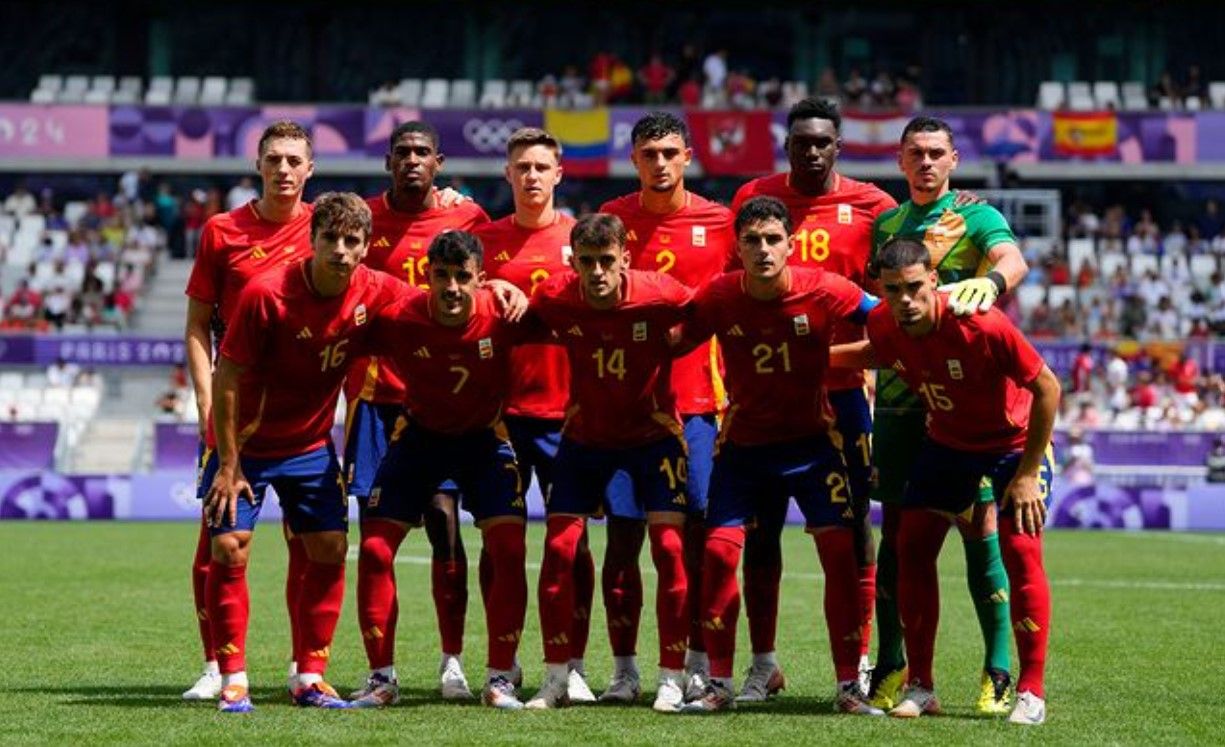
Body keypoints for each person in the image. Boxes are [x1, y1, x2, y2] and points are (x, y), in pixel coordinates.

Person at [836, 236, 1057, 726]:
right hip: (949, 445)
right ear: (883, 289)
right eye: (894, 290)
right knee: (911, 546)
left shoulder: (981, 323)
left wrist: (1026, 474)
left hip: (1012, 446)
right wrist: (817, 361)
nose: (906, 300)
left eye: (915, 287)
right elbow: (878, 352)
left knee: (1020, 551)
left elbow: (1047, 387)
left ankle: (1031, 690)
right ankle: (922, 685)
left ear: (934, 281)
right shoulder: (884, 323)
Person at [200, 192, 406, 712]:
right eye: (330, 238)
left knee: (330, 550)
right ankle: (233, 678)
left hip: (311, 447)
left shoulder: (375, 291)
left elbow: (431, 304)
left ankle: (309, 676)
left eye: (351, 241)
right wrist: (227, 462)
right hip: (245, 446)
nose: (340, 249)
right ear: (311, 241)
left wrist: (493, 288)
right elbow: (227, 377)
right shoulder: (266, 294)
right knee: (229, 549)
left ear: (364, 249)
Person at [679, 196, 882, 715]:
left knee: (840, 555)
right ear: (737, 248)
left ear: (790, 245)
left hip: (813, 448)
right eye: (752, 240)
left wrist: (875, 360)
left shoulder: (826, 288)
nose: (764, 249)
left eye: (773, 239)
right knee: (722, 555)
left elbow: (886, 319)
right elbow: (672, 340)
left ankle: (847, 688)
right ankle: (720, 686)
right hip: (743, 450)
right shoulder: (721, 296)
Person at [729, 97, 896, 700]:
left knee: (854, 530)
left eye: (823, 142)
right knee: (760, 530)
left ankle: (860, 662)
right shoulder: (756, 199)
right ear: (788, 146)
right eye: (801, 142)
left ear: (838, 146)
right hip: (767, 402)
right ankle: (763, 663)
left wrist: (862, 361)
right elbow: (737, 294)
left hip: (843, 397)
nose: (812, 151)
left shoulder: (874, 206)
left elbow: (889, 307)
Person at [866, 116, 1029, 714]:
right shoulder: (886, 224)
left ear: (954, 159)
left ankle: (999, 670)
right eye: (917, 153)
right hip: (900, 404)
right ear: (901, 159)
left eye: (937, 153)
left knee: (979, 529)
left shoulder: (976, 215)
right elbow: (876, 307)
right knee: (901, 539)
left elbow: (1013, 260)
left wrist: (991, 283)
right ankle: (895, 666)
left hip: (968, 406)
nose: (927, 163)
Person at [344, 120, 491, 704]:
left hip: (444, 400)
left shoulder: (469, 220)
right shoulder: (361, 221)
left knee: (445, 527)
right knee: (377, 538)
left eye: (422, 153)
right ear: (388, 162)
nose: (412, 160)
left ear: (439, 162)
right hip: (377, 403)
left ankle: (452, 660)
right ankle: (382, 672)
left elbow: (491, 285)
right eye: (402, 152)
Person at [524, 213, 693, 713]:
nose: (597, 272)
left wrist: (677, 346)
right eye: (586, 262)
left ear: (625, 258)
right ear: (573, 262)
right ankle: (556, 677)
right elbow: (521, 320)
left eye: (606, 261)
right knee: (559, 548)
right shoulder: (556, 297)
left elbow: (709, 314)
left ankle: (671, 677)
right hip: (584, 440)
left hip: (653, 438)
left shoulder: (662, 292)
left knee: (667, 548)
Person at [355, 231, 530, 710]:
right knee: (373, 548)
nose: (452, 286)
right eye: (442, 276)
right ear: (426, 276)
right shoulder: (401, 318)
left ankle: (500, 680)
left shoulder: (503, 313)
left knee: (509, 547)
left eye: (462, 277)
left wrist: (517, 291)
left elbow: (566, 319)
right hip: (419, 438)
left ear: (481, 279)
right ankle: (381, 678)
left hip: (483, 438)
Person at [599, 112, 736, 701]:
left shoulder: (722, 223)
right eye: (649, 152)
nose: (660, 162)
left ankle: (700, 660)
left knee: (700, 537)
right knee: (624, 539)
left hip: (700, 405)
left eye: (670, 152)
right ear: (634, 158)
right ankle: (625, 669)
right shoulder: (610, 223)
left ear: (688, 156)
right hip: (624, 408)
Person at [182, 120, 316, 701]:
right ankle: (217, 665)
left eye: (294, 160)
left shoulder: (328, 226)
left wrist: (451, 198)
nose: (284, 169)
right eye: (274, 159)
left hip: (304, 415)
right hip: (235, 414)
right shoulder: (222, 231)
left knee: (309, 544)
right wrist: (207, 401)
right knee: (217, 541)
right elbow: (195, 325)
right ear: (258, 165)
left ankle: (302, 665)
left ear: (310, 170)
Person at [476, 127, 599, 702]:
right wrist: (492, 279)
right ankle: (504, 660)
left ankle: (573, 660)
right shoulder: (481, 240)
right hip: (498, 417)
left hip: (569, 415)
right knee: (499, 545)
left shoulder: (582, 241)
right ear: (508, 174)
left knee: (572, 546)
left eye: (540, 167)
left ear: (558, 174)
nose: (531, 176)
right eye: (521, 166)